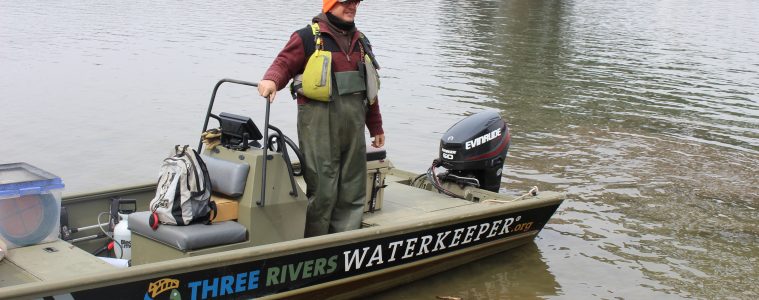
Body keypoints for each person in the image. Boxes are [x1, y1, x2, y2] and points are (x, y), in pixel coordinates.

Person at [258, 0, 385, 237]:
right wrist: (271, 80)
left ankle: (343, 243)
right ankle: (315, 245)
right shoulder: (307, 37)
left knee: (352, 189)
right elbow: (283, 64)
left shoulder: (361, 42)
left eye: (355, 2)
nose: (352, 7)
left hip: (354, 128)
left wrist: (376, 126)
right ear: (330, 4)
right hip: (318, 128)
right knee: (323, 190)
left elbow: (370, 91)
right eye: (346, 3)